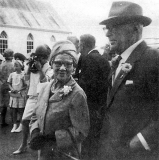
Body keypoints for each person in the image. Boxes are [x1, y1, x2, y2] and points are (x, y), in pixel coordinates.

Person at [97, 1, 159, 160]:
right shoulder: (119, 62)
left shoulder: (153, 60)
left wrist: (142, 141)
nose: (108, 34)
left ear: (136, 28)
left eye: (114, 26)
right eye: (107, 28)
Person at [29, 40, 90, 160]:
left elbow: (81, 131)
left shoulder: (77, 93)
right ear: (51, 64)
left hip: (64, 154)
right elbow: (36, 115)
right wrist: (35, 132)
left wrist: (52, 138)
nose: (62, 68)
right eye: (58, 63)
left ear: (73, 67)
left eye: (68, 64)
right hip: (44, 153)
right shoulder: (45, 87)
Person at [74, 34, 110, 159]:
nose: (78, 48)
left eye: (79, 45)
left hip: (90, 107)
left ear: (82, 45)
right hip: (100, 106)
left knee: (87, 141)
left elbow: (86, 86)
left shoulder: (88, 59)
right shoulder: (102, 58)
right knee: (95, 141)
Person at [13, 44, 53, 154]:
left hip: (44, 98)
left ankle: (41, 148)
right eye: (39, 56)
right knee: (25, 120)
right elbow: (26, 81)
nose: (41, 59)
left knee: (42, 124)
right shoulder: (32, 66)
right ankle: (24, 144)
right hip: (32, 97)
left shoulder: (49, 68)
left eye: (43, 57)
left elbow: (45, 82)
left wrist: (40, 69)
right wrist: (28, 70)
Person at [8, 60, 27, 132]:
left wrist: (19, 90)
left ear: (21, 66)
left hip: (21, 95)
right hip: (13, 95)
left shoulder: (23, 74)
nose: (15, 67)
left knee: (21, 110)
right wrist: (12, 89)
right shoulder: (12, 74)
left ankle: (21, 126)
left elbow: (25, 85)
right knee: (14, 110)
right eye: (15, 66)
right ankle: (14, 125)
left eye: (17, 66)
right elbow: (9, 83)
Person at [0, 49, 14, 127]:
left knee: (3, 104)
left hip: (2, 85)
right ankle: (13, 120)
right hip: (10, 86)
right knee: (12, 103)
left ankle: (2, 121)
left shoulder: (1, 65)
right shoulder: (12, 65)